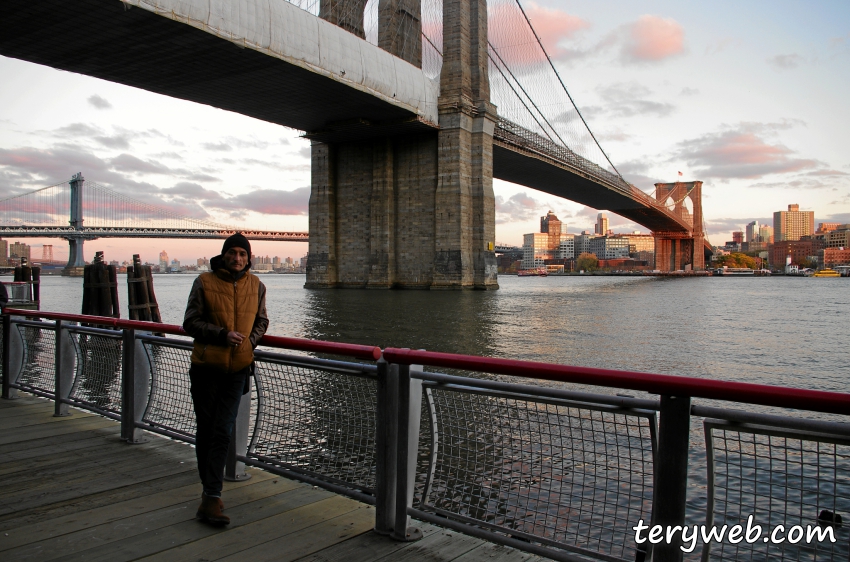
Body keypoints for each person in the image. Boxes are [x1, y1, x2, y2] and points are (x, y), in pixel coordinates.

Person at [183, 233, 268, 525]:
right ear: (223, 255)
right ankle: (210, 496)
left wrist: (248, 344)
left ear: (248, 258)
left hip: (238, 370)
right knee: (207, 430)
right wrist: (221, 335)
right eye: (232, 253)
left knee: (222, 430)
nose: (238, 259)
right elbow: (190, 322)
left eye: (243, 254)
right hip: (207, 367)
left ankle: (211, 496)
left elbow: (262, 321)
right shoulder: (204, 283)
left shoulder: (257, 285)